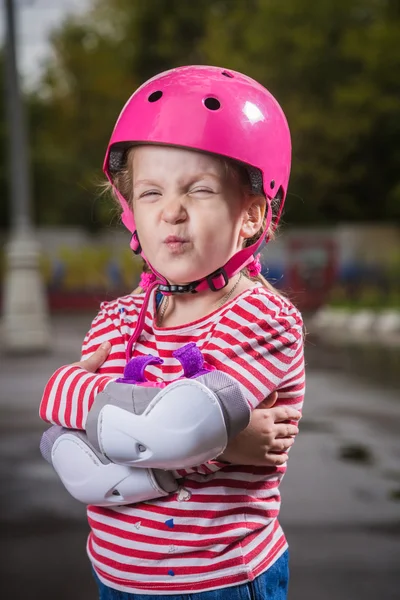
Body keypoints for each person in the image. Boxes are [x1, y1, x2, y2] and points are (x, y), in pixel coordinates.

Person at [39, 65, 304, 600]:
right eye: (152, 193)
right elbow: (66, 420)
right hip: (115, 575)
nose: (172, 213)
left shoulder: (263, 319)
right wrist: (230, 444)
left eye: (199, 190)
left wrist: (103, 414)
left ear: (251, 216)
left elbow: (179, 429)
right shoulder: (117, 316)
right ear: (131, 210)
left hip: (221, 578)